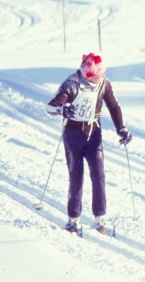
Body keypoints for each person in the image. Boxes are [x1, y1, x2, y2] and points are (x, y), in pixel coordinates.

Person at [46, 53, 132, 234]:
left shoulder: (104, 84)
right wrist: (63, 109)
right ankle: (73, 219)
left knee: (98, 175)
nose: (101, 76)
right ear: (89, 74)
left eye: (102, 73)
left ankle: (100, 217)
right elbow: (50, 106)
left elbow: (114, 106)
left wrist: (121, 128)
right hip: (73, 136)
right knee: (76, 178)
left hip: (94, 135)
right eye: (98, 74)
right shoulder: (72, 84)